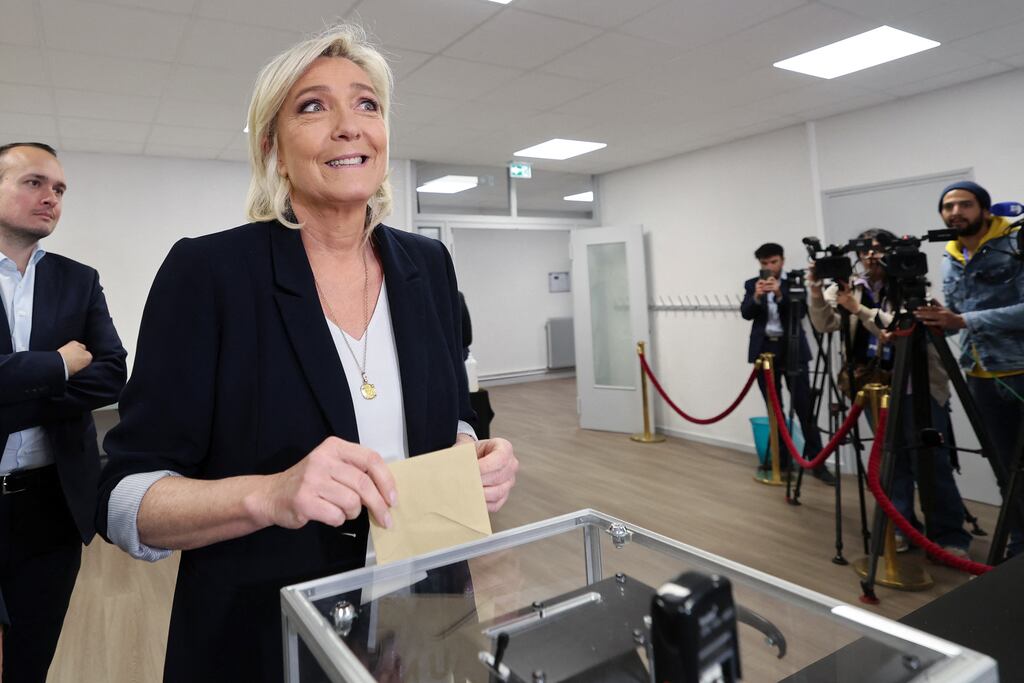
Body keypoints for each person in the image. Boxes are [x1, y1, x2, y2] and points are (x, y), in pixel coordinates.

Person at [96, 25, 518, 682]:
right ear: (273, 149)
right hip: (269, 632)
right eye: (314, 106)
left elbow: (451, 412)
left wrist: (471, 454)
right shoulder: (209, 273)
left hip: (429, 609)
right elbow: (126, 497)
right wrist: (268, 495)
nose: (350, 126)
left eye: (367, 104)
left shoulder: (428, 265)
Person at [0, 141, 127, 681]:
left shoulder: (78, 279)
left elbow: (111, 372)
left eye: (58, 189)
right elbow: (76, 370)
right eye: (34, 182)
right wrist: (56, 365)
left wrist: (13, 386)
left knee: (33, 654)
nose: (50, 197)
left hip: (51, 501)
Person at [808, 229, 971, 555]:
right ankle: (903, 528)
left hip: (919, 387)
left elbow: (902, 329)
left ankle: (949, 536)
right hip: (874, 387)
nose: (871, 256)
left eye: (879, 249)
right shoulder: (850, 286)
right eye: (864, 250)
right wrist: (815, 290)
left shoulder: (911, 285)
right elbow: (825, 324)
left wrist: (860, 309)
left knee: (932, 463)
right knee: (892, 465)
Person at [915, 180, 1024, 558]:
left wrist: (964, 321)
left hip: (1019, 369)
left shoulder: (1015, 244)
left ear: (985, 210)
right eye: (948, 207)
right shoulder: (950, 254)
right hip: (978, 374)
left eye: (965, 205)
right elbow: (958, 311)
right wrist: (940, 316)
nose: (955, 213)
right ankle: (1019, 542)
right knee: (1004, 468)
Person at [741, 243, 835, 484]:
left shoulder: (794, 281)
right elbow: (746, 313)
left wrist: (781, 294)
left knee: (805, 409)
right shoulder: (752, 284)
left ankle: (817, 463)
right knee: (774, 410)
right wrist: (757, 296)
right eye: (764, 263)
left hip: (792, 350)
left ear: (782, 260)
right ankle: (779, 461)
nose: (769, 267)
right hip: (764, 352)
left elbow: (801, 313)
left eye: (773, 262)